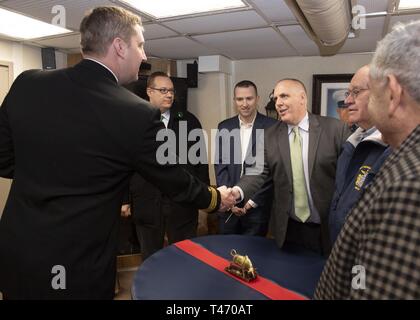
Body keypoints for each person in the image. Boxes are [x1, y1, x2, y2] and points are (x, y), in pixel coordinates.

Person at [0, 6, 234, 299]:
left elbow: (4, 160)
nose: (145, 56)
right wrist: (215, 199)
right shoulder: (135, 113)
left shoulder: (27, 83)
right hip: (78, 266)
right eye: (140, 45)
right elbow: (174, 180)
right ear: (120, 47)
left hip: (18, 257)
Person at [315, 20, 420, 299]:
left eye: (364, 92)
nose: (349, 100)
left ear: (393, 93)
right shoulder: (400, 154)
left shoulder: (409, 184)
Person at [233, 79, 350, 255]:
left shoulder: (335, 130)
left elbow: (348, 179)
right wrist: (236, 192)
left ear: (302, 98)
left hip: (326, 228)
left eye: (284, 96)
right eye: (276, 98)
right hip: (288, 230)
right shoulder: (269, 136)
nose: (278, 103)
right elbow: (257, 173)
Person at [125, 72, 210, 260]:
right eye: (163, 90)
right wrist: (124, 199)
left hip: (181, 202)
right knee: (150, 258)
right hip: (147, 201)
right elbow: (125, 162)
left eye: (171, 91)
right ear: (149, 91)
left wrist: (204, 195)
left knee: (186, 255)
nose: (169, 95)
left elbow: (200, 162)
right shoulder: (134, 121)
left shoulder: (188, 121)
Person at [329, 65, 391, 243]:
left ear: (382, 94)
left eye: (355, 92)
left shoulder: (392, 149)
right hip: (339, 249)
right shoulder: (350, 143)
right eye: (348, 93)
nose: (347, 101)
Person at [215, 80, 276, 236]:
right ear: (234, 100)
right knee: (225, 255)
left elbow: (271, 172)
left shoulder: (273, 127)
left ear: (257, 99)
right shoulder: (224, 127)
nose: (245, 103)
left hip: (257, 209)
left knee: (254, 257)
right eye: (240, 99)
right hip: (229, 209)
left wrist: (251, 202)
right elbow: (220, 166)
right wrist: (229, 200)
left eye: (249, 98)